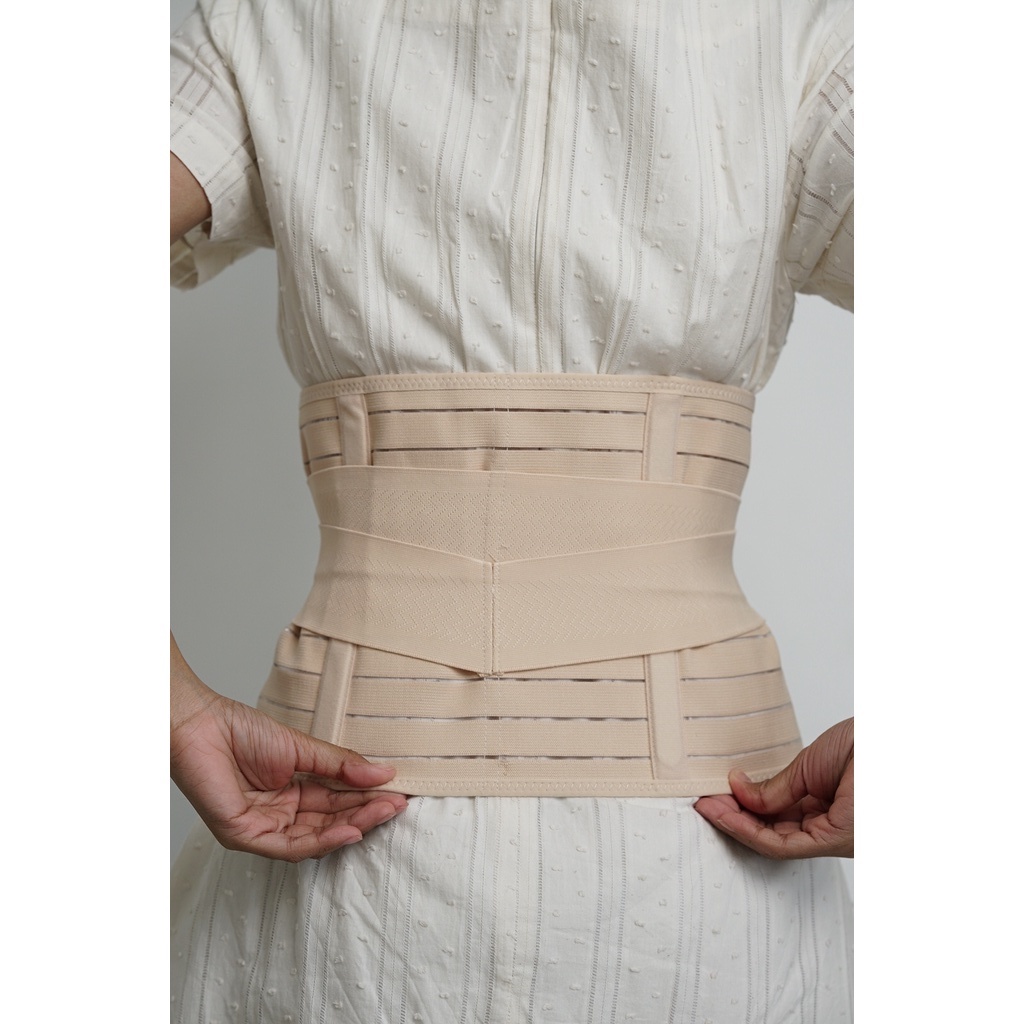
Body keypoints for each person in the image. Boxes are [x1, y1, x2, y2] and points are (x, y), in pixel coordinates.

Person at [170, 1, 853, 1020]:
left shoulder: (272, 17)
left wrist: (163, 700)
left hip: (347, 880)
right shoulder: (791, 28)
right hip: (694, 883)